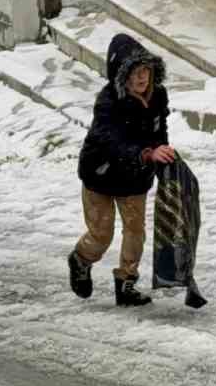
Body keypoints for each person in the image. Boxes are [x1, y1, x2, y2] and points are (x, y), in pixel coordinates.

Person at [69, 34, 175, 307]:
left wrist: (162, 152)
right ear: (122, 75)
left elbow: (159, 129)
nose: (142, 78)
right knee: (101, 235)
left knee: (135, 231)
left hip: (134, 177)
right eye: (135, 73)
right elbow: (113, 142)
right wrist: (147, 153)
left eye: (146, 71)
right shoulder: (107, 102)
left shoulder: (158, 96)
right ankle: (81, 259)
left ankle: (126, 284)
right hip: (101, 175)